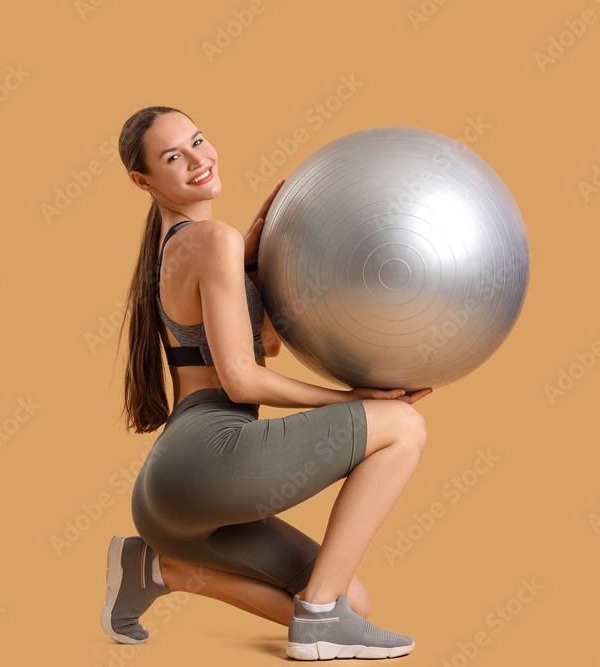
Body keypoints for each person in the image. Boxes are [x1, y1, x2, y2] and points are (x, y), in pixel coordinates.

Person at [99, 106, 433, 661]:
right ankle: (321, 622)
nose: (199, 160)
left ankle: (156, 569)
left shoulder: (190, 245)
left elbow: (266, 345)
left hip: (174, 495)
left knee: (351, 597)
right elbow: (241, 378)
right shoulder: (210, 239)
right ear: (144, 180)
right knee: (403, 426)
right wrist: (354, 400)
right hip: (206, 456)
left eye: (198, 140)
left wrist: (255, 268)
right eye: (173, 157)